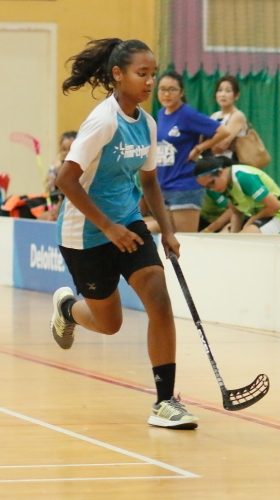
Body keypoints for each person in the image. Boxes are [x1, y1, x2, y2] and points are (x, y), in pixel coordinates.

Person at [51, 38, 199, 429]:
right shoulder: (103, 121)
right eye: (142, 74)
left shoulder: (147, 124)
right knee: (109, 323)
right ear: (118, 75)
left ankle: (165, 402)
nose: (150, 82)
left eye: (153, 74)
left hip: (128, 223)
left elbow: (150, 183)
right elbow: (66, 180)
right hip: (86, 232)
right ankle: (68, 309)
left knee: (158, 298)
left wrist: (166, 231)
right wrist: (107, 226)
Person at [150, 71, 230, 234]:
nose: (166, 94)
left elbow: (223, 131)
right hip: (163, 186)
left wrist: (199, 148)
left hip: (184, 186)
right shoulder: (161, 114)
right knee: (165, 238)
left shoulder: (187, 114)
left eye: (172, 89)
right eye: (162, 89)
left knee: (184, 242)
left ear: (181, 92)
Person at [193, 156, 280, 234]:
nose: (212, 189)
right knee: (228, 240)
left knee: (244, 240)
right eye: (207, 187)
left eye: (212, 183)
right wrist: (233, 236)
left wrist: (251, 220)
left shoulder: (242, 177)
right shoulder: (225, 185)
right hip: (262, 217)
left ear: (220, 172)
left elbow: (275, 206)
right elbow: (237, 213)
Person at [209, 75, 248, 161]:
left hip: (231, 165)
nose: (223, 94)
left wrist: (203, 147)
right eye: (220, 90)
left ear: (236, 95)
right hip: (213, 163)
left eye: (228, 91)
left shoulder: (237, 115)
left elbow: (222, 145)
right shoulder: (214, 116)